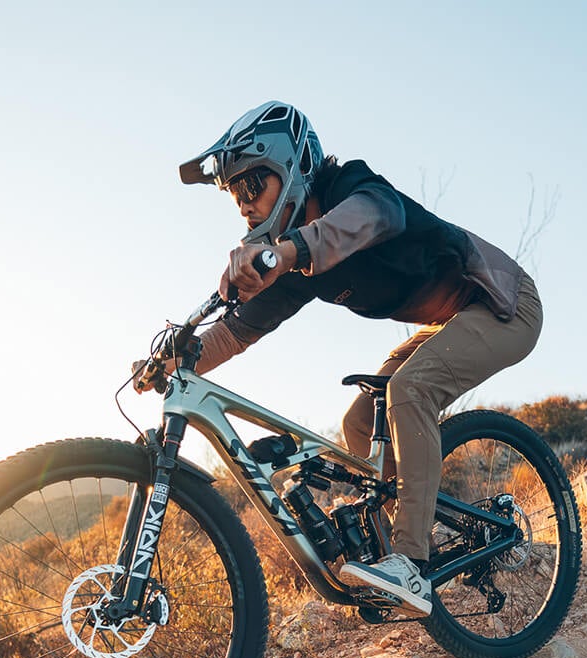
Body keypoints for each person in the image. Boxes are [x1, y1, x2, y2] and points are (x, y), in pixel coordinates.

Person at [173, 101, 544, 616]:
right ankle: (405, 558)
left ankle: (409, 562)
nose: (243, 206)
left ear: (293, 167)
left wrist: (285, 253)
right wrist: (175, 362)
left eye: (251, 185)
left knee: (410, 390)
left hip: (505, 303)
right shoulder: (299, 265)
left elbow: (375, 217)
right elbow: (237, 333)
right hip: (450, 321)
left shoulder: (351, 188)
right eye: (235, 195)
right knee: (361, 421)